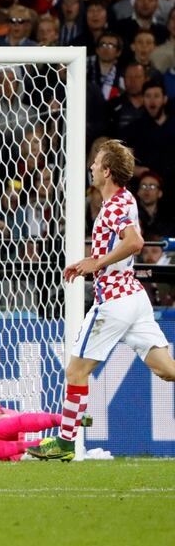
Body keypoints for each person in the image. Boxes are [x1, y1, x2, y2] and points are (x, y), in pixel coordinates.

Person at [28, 139, 175, 461]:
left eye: (96, 163)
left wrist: (96, 263)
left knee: (75, 372)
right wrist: (90, 262)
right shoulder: (124, 199)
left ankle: (65, 444)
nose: (91, 166)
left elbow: (134, 242)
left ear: (107, 171)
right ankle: (66, 443)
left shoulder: (115, 206)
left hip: (115, 301)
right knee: (167, 370)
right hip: (134, 297)